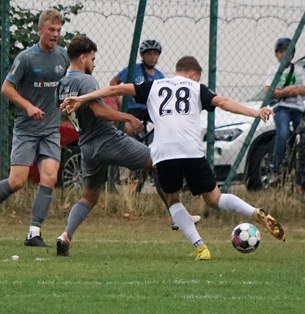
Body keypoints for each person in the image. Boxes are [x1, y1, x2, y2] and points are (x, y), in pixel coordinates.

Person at [62, 55, 284, 259]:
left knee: (173, 200)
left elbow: (114, 89)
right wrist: (255, 112)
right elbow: (223, 102)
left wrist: (82, 98)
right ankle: (254, 211)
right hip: (192, 151)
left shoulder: (154, 85)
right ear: (193, 74)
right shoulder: (197, 88)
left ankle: (201, 247)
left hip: (165, 153)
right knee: (215, 198)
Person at [0, 8, 69, 247]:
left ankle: (33, 233)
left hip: (50, 129)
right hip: (26, 129)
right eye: (51, 29)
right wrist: (28, 106)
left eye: (58, 30)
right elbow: (6, 88)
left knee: (49, 177)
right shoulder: (26, 58)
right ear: (40, 30)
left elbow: (69, 82)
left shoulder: (63, 57)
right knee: (17, 181)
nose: (55, 34)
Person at [55, 36, 148, 256]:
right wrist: (128, 117)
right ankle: (175, 217)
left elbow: (66, 111)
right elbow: (99, 111)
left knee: (88, 198)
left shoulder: (62, 84)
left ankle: (66, 235)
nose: (94, 64)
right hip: (108, 140)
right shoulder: (87, 81)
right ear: (82, 57)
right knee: (159, 162)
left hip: (87, 147)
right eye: (93, 59)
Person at [264, 37, 305, 177]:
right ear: (276, 54)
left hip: (298, 108)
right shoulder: (274, 71)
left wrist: (296, 90)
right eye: (281, 51)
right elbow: (268, 91)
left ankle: (303, 168)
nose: (284, 54)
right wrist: (284, 92)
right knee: (283, 134)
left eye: (287, 51)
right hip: (281, 107)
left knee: (303, 138)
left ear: (292, 54)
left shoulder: (299, 70)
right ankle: (276, 167)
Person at [109, 38, 165, 122]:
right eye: (149, 54)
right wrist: (119, 101)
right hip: (133, 109)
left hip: (151, 111)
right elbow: (114, 82)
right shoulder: (133, 69)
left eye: (155, 54)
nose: (152, 57)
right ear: (142, 55)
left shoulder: (160, 76)